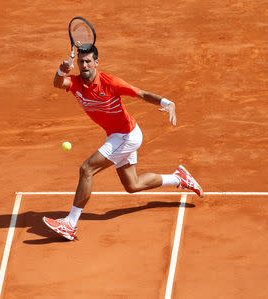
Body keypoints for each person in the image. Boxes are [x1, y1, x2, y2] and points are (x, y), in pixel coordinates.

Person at [43, 45, 203, 241]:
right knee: (132, 185)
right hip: (117, 135)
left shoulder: (111, 83)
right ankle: (179, 179)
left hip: (126, 135)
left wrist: (167, 103)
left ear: (96, 63)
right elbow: (58, 84)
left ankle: (70, 223)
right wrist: (61, 71)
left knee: (87, 169)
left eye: (88, 61)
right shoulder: (76, 83)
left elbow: (142, 94)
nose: (84, 65)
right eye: (81, 62)